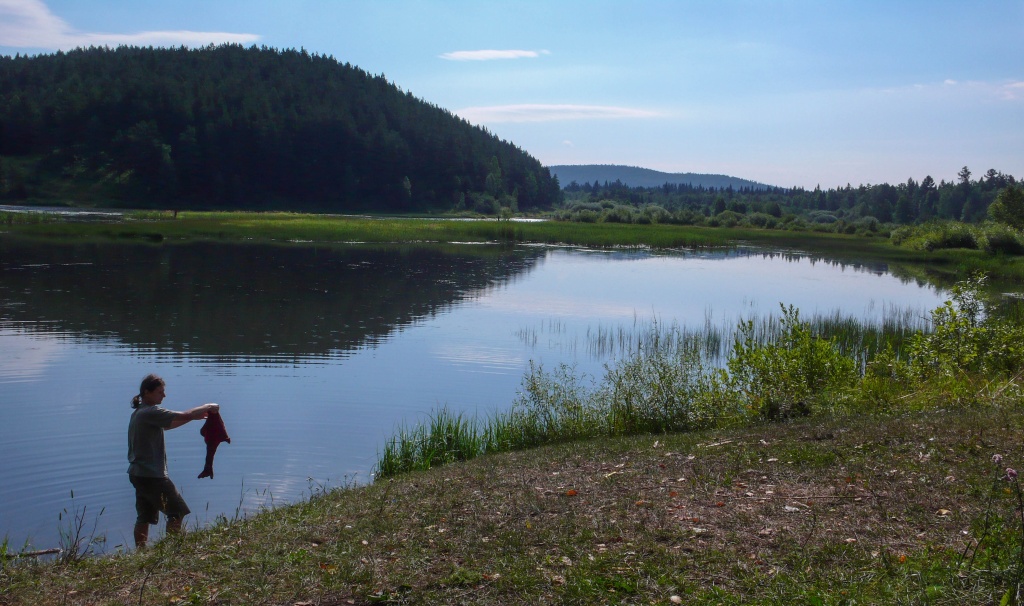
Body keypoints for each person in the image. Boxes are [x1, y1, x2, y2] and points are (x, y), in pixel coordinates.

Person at [127, 374, 218, 549]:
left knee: (145, 516)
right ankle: (172, 550)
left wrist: (191, 418)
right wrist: (208, 406)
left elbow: (168, 425)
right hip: (152, 475)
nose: (164, 395)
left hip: (138, 474)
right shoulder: (150, 412)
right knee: (177, 511)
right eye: (160, 392)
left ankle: (141, 552)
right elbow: (184, 414)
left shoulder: (139, 413)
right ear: (147, 392)